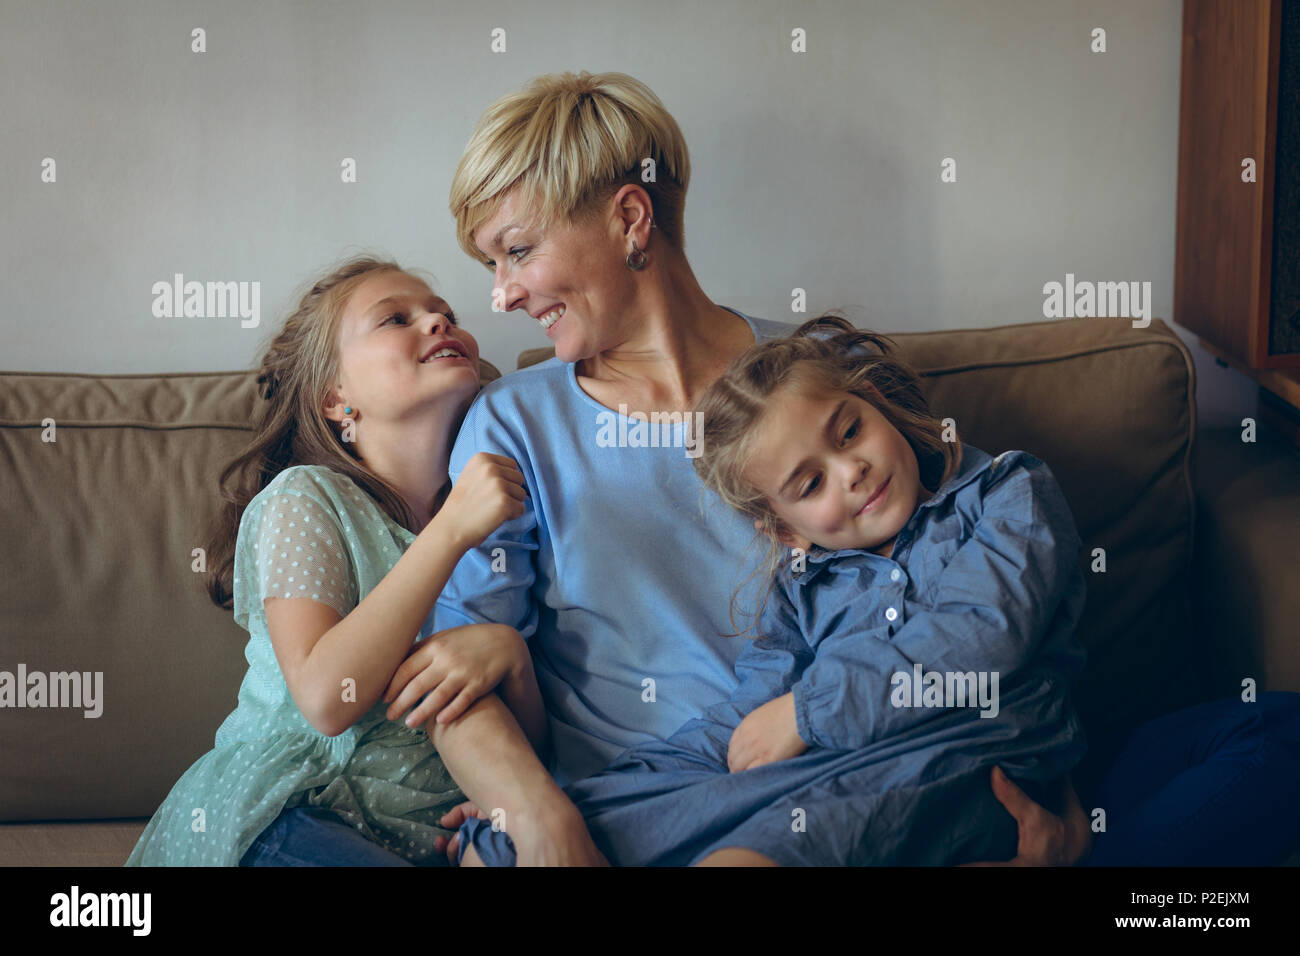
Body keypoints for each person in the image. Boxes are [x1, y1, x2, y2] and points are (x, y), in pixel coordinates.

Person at [422, 70, 1092, 866]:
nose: (500, 297)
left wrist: (1053, 793)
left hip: (852, 767)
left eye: (517, 252)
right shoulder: (513, 424)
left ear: (631, 218)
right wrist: (544, 824)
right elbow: (455, 686)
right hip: (673, 785)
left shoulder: (825, 373)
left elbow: (969, 590)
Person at [454, 314, 1088, 866]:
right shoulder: (804, 590)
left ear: (875, 403)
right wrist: (565, 804)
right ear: (784, 529)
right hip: (832, 764)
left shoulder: (1006, 494)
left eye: (848, 433)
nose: (852, 471)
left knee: (754, 852)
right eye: (810, 485)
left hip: (972, 753)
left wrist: (807, 712)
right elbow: (742, 724)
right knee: (522, 844)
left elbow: (978, 639)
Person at [125, 256, 602, 866]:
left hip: (427, 840)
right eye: (396, 319)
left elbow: (525, 752)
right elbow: (328, 699)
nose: (435, 320)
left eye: (445, 314)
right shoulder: (308, 500)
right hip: (285, 817)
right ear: (335, 397)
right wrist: (452, 528)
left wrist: (511, 659)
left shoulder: (500, 528)